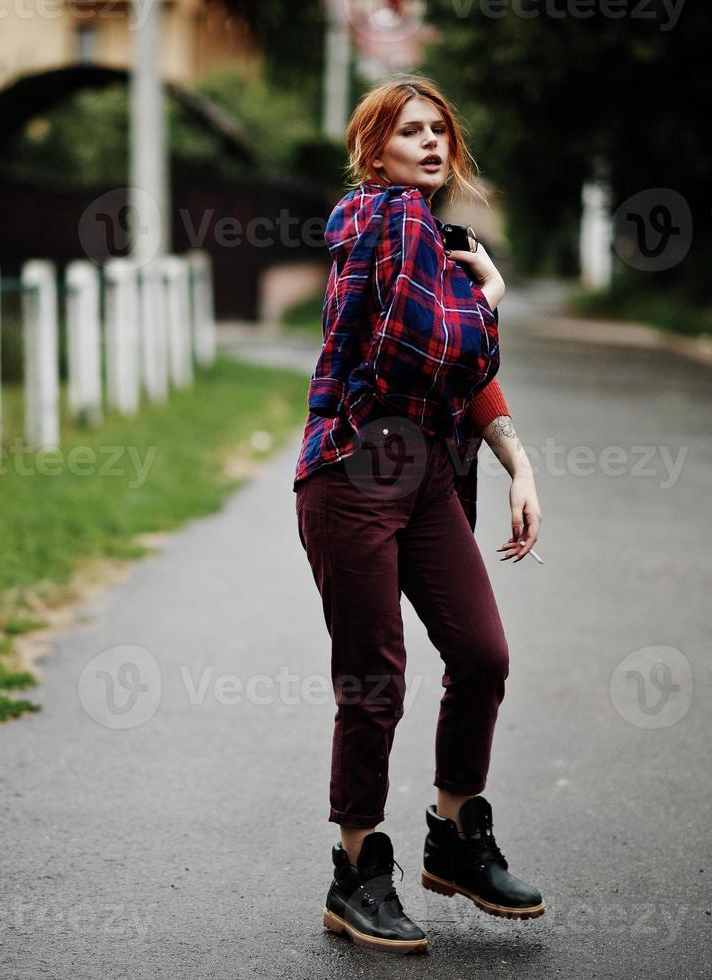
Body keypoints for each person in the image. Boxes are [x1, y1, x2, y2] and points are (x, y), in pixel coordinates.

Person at [293, 74, 545, 955]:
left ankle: (452, 834)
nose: (431, 143)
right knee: (375, 677)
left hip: (425, 473)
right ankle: (356, 871)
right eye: (410, 131)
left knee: (480, 653)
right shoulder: (382, 218)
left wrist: (518, 465)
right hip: (354, 468)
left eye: (440, 129)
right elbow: (426, 343)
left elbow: (463, 376)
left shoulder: (433, 240)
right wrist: (491, 297)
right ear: (375, 150)